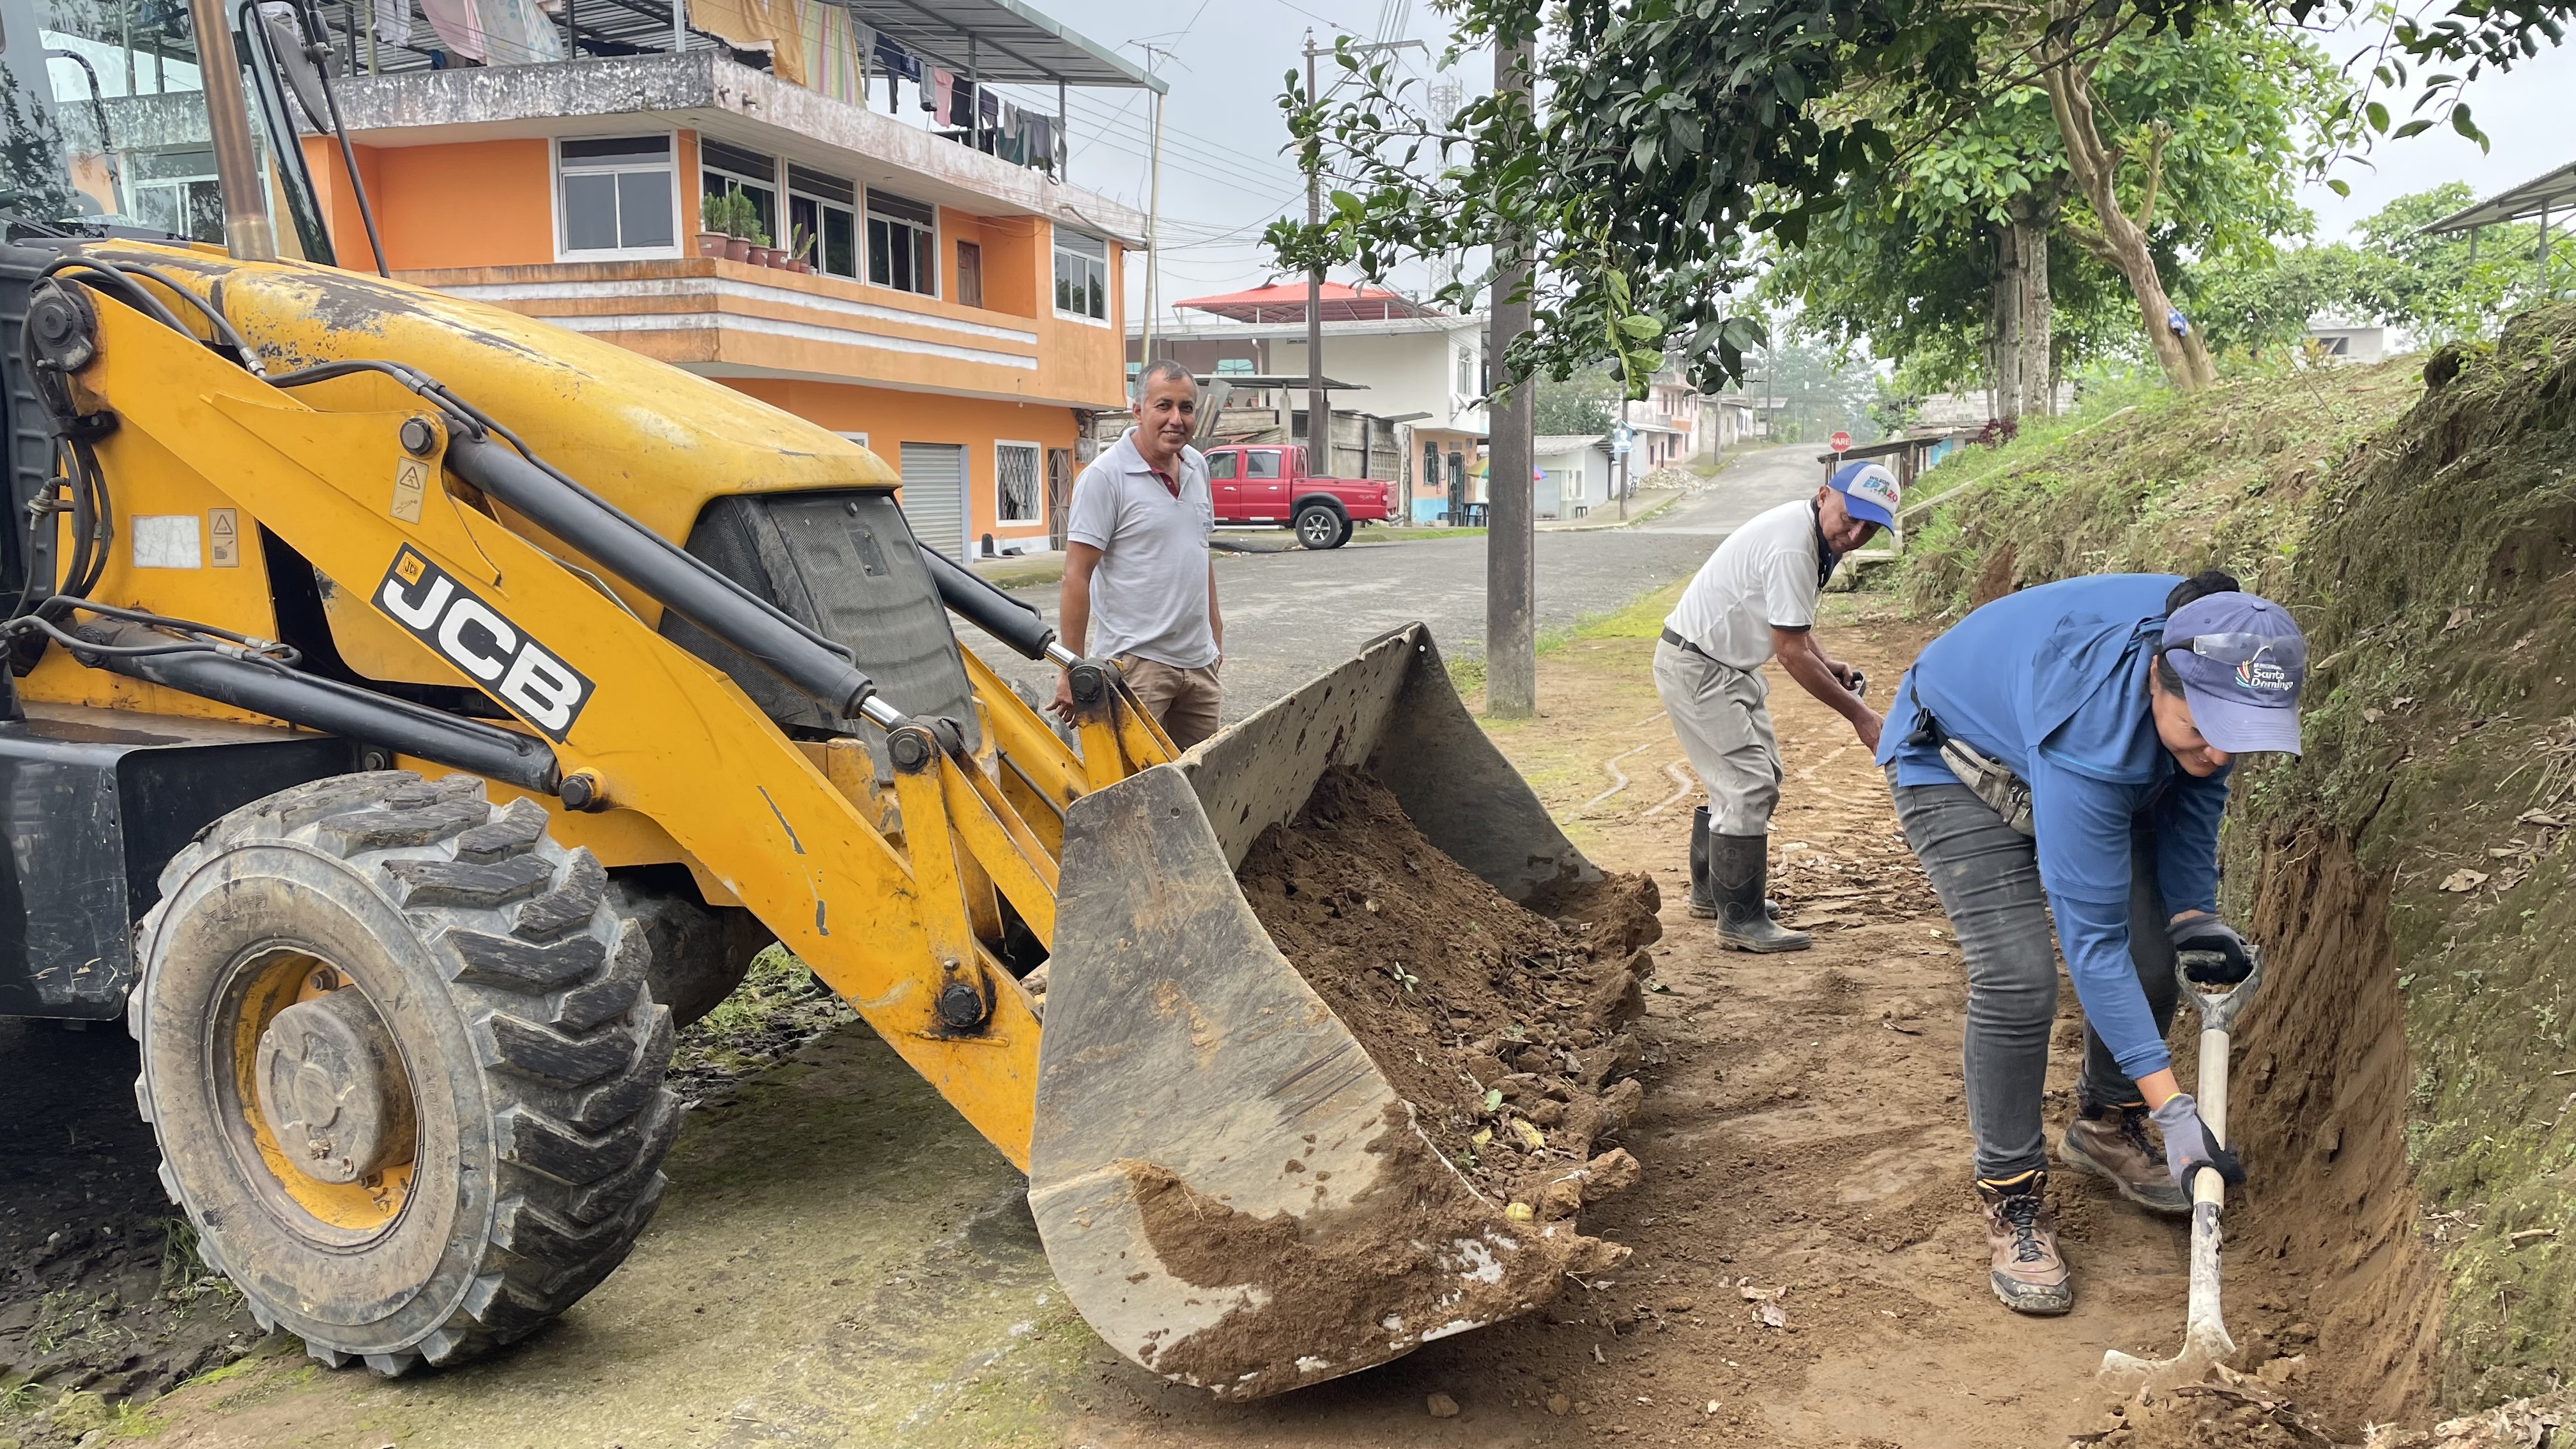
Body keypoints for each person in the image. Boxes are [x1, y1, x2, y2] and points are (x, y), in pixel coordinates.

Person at [1877, 569, 2302, 1316]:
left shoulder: (2219, 645)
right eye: (2202, 731)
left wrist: (2191, 916)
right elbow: (2092, 946)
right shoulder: (2095, 726)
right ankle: (2011, 1197)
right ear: (2156, 678)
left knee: (2153, 957)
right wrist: (2175, 1110)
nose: (2220, 753)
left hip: (2092, 751)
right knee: (2018, 977)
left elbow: (2197, 794)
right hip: (1956, 762)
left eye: (2237, 739)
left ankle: (2106, 1127)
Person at [1655, 460, 1897, 952]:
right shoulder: (1794, 544)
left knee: (1758, 773)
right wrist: (1861, 717)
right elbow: (1789, 652)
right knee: (1747, 783)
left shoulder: (1811, 533)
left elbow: (1792, 626)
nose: (1854, 535)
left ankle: (1714, 894)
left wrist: (1826, 662)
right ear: (1825, 495)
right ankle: (1740, 919)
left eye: (1870, 529)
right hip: (1700, 667)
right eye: (1850, 519)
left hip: (1724, 666)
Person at [1052, 360, 1224, 749]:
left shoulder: (1197, 466)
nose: (1176, 419)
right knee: (1135, 779)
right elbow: (1076, 576)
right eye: (1164, 406)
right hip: (1136, 667)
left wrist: (1215, 631)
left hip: (1199, 665)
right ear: (1138, 410)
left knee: (1202, 775)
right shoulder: (1105, 477)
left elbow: (1200, 552)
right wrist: (1070, 668)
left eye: (1186, 407)